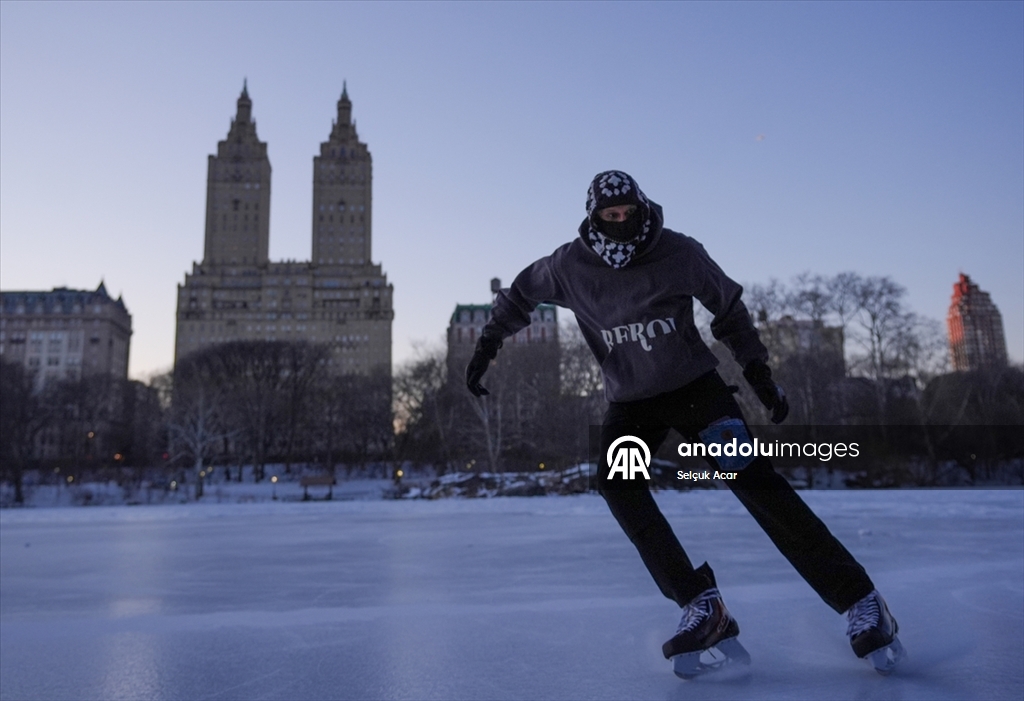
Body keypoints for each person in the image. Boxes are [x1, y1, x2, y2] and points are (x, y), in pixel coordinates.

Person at [465, 170, 903, 677]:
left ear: (642, 206)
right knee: (617, 483)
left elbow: (729, 308)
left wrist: (758, 372)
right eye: (612, 217)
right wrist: (487, 347)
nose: (624, 223)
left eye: (631, 213)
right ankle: (701, 604)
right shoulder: (567, 265)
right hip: (633, 403)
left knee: (753, 481)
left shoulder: (678, 251)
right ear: (595, 220)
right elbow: (518, 296)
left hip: (697, 391)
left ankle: (861, 601)